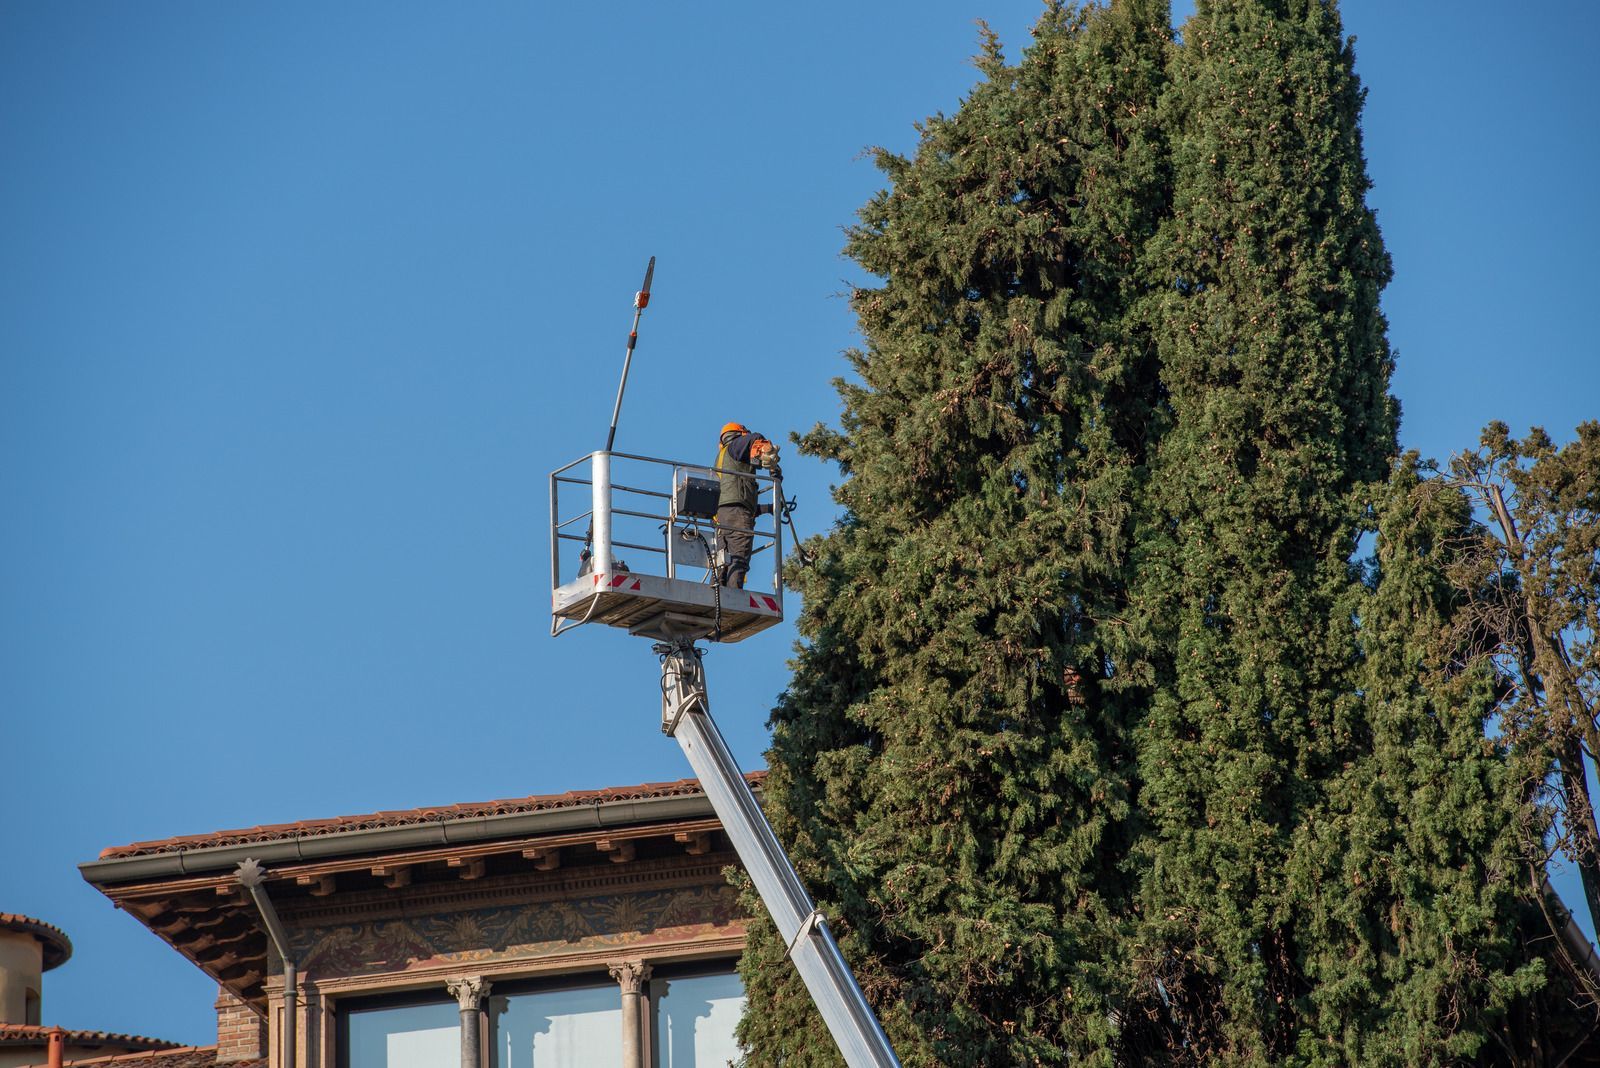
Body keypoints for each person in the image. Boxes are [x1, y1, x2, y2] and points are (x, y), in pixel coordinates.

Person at [713, 421, 779, 588]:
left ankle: (716, 597)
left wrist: (769, 509)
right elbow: (754, 438)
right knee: (739, 559)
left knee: (722, 563)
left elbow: (737, 501)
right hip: (735, 513)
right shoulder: (735, 447)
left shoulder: (722, 459)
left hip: (722, 517)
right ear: (739, 435)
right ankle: (733, 599)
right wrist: (767, 453)